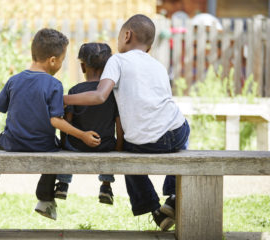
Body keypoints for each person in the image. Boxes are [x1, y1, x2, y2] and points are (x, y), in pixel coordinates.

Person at [63, 14, 190, 231]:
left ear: (127, 35)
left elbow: (99, 96)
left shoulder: (117, 60)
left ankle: (153, 208)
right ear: (148, 48)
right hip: (175, 132)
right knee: (182, 136)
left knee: (127, 151)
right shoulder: (158, 65)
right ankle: (173, 195)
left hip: (145, 142)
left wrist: (62, 98)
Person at [0, 28, 101, 220]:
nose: (61, 65)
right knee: (58, 150)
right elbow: (55, 120)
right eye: (62, 61)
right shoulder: (54, 85)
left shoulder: (14, 80)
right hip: (43, 145)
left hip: (12, 142)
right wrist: (82, 135)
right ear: (53, 60)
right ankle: (45, 200)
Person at [55, 43, 124, 205]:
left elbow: (67, 122)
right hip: (105, 145)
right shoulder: (112, 93)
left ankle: (63, 183)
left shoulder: (75, 91)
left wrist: (64, 143)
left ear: (83, 67)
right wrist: (118, 148)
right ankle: (106, 186)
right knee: (109, 149)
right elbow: (119, 126)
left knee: (66, 148)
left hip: (76, 145)